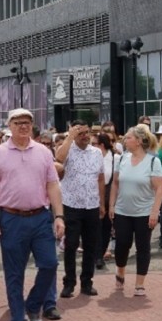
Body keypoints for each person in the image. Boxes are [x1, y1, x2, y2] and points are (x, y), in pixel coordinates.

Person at [0, 108, 64, 321]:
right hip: (11, 218)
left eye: (27, 122)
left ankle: (33, 304)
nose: (23, 126)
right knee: (14, 274)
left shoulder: (44, 152)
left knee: (49, 264)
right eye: (18, 122)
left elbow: (53, 185)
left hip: (40, 216)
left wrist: (59, 216)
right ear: (10, 126)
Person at [109, 124, 162, 297]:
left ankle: (139, 283)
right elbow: (115, 183)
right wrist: (112, 205)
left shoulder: (152, 161)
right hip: (122, 211)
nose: (125, 140)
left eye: (129, 137)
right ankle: (120, 271)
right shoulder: (122, 159)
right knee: (122, 245)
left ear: (139, 141)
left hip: (144, 212)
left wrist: (155, 212)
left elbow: (159, 189)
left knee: (143, 247)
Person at [54, 120, 104, 297]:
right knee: (71, 244)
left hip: (91, 204)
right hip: (71, 204)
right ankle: (69, 282)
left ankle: (87, 282)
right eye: (80, 133)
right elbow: (58, 159)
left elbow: (100, 178)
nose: (85, 136)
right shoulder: (67, 149)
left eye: (87, 132)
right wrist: (70, 137)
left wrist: (102, 203)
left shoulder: (97, 152)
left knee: (91, 246)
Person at [95, 132, 120, 268]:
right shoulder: (92, 157)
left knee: (106, 227)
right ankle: (96, 255)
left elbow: (116, 180)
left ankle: (100, 254)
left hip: (109, 196)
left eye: (95, 144)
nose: (92, 146)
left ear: (102, 145)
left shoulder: (115, 158)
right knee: (95, 227)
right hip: (93, 196)